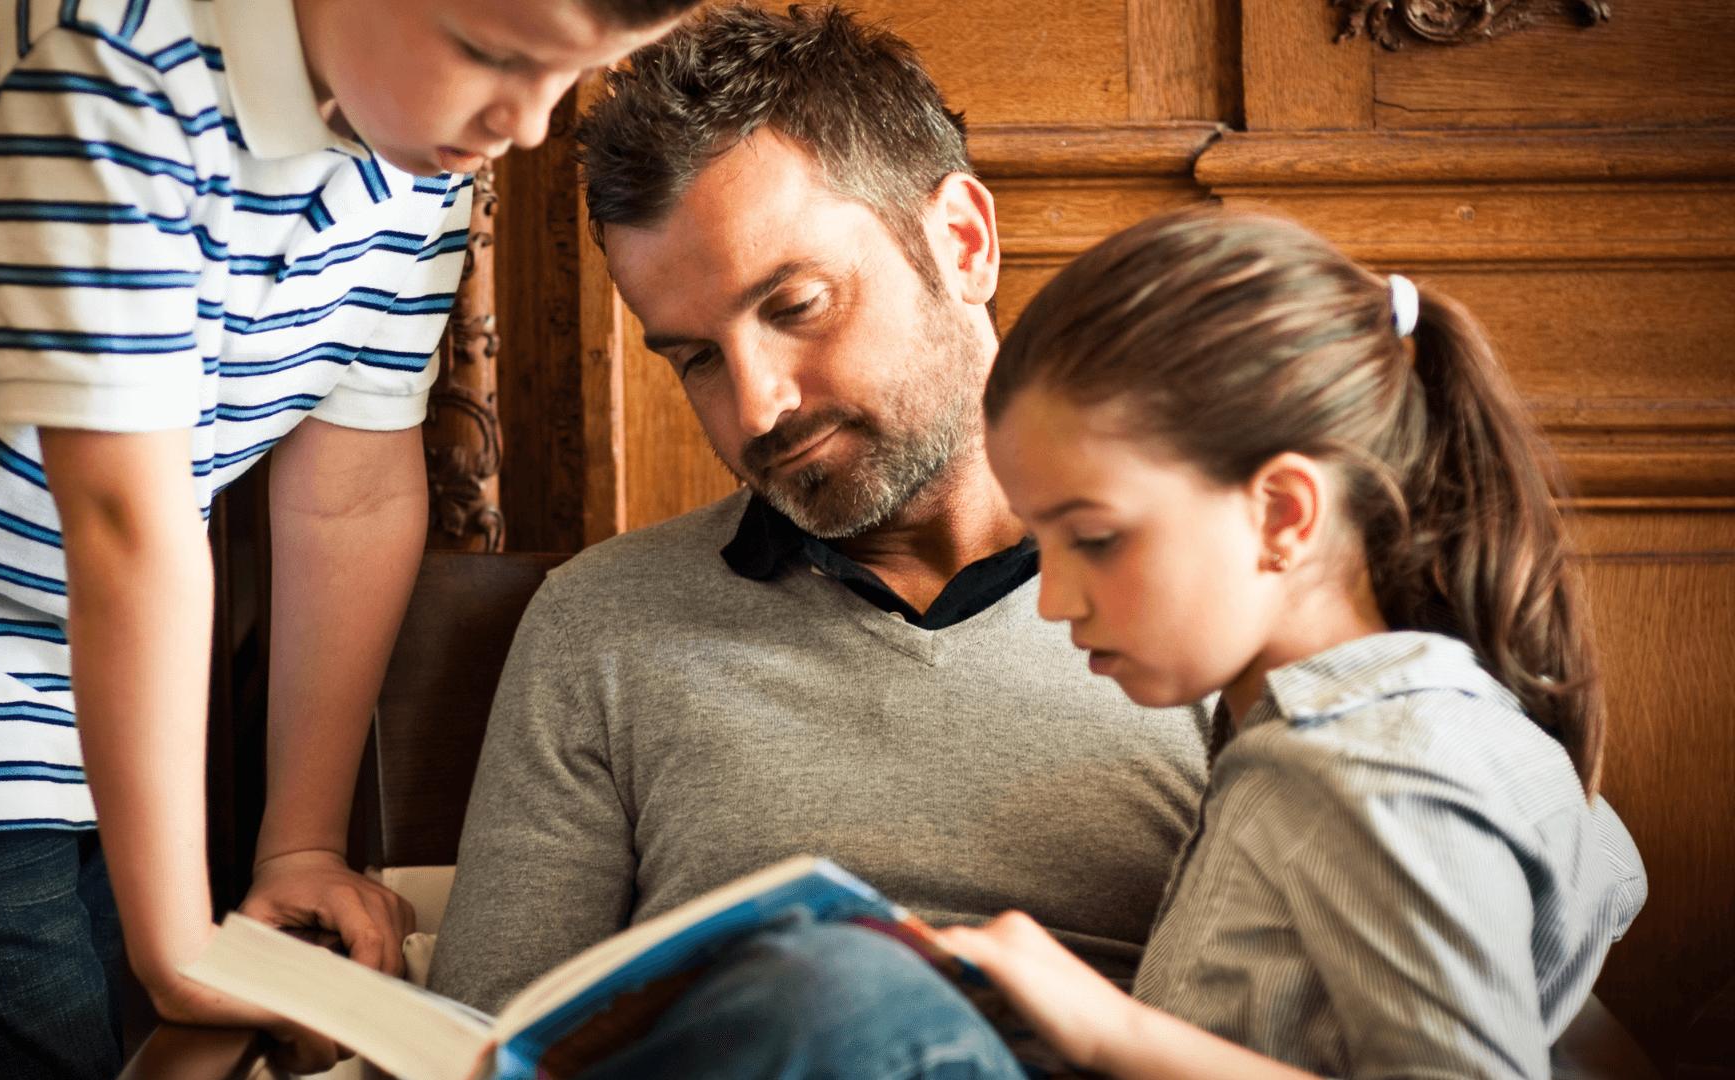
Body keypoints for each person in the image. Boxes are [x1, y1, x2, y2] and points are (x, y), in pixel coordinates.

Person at [557, 205, 1649, 1080]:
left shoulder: (1370, 774)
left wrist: (1108, 1031)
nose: (1051, 599)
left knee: (837, 995)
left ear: (1282, 515)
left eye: (1096, 540)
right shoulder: (1431, 723)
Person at [0, 0, 693, 1076]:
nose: (524, 122)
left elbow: (352, 493)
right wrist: (183, 943)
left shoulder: (417, 122)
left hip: (92, 671)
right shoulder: (106, 61)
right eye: (494, 54)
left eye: (571, 75)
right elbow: (124, 527)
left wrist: (299, 843)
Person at [429, 3, 1210, 1014]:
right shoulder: (600, 625)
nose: (757, 407)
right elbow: (490, 1038)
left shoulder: (1225, 593)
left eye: (796, 307)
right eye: (696, 358)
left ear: (963, 244)